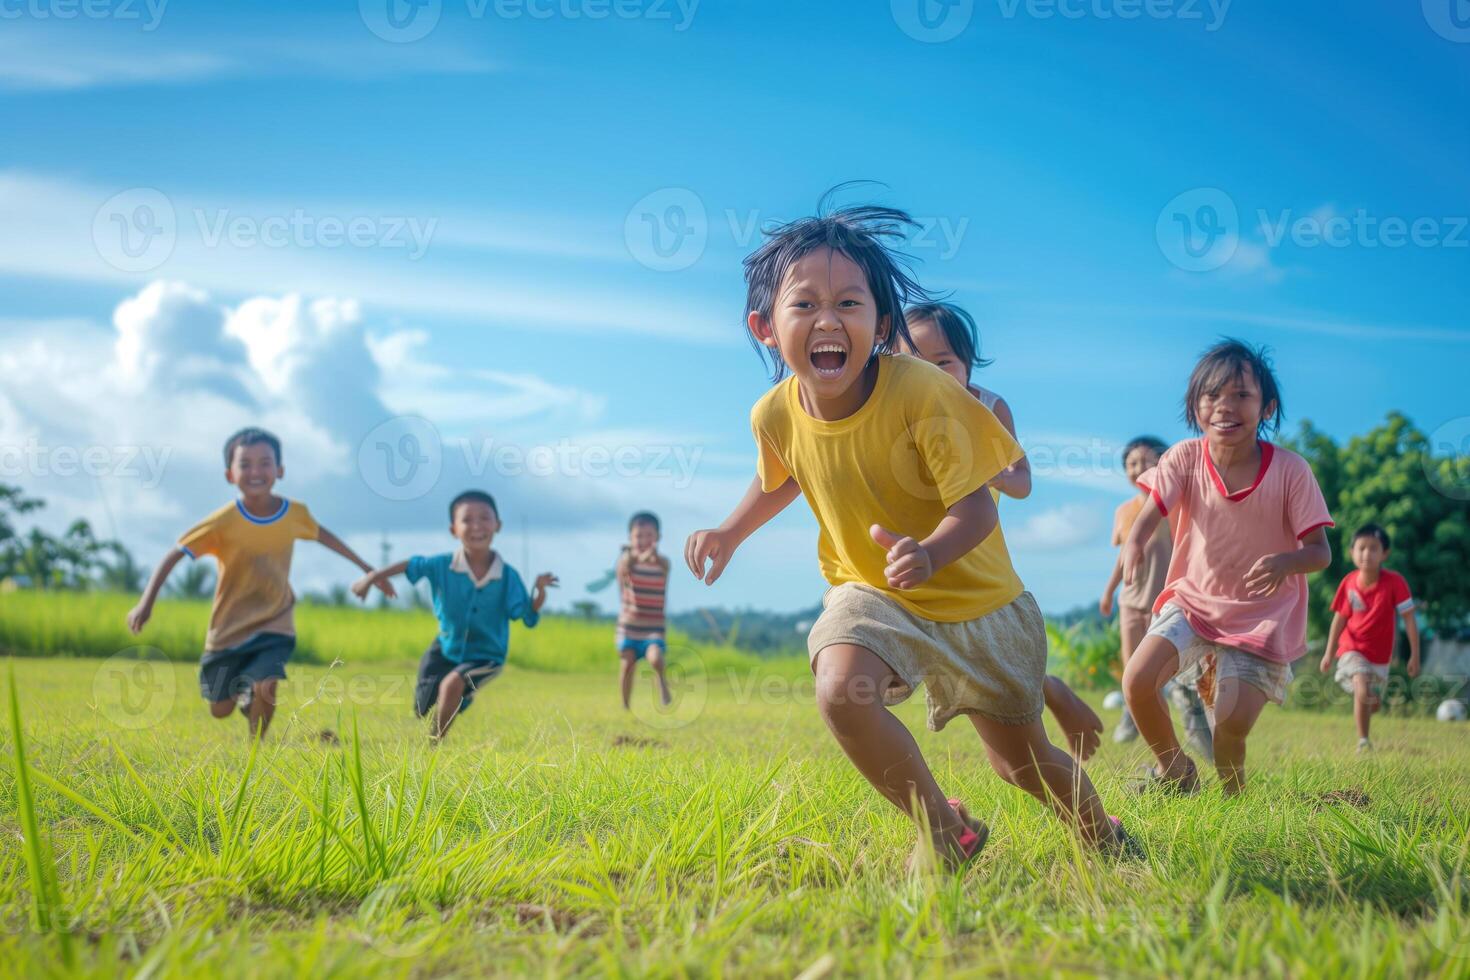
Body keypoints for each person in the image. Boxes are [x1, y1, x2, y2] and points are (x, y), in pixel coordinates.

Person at [686, 197, 1138, 870]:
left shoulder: (924, 394)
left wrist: (929, 553)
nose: (827, 319)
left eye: (849, 303)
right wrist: (728, 531)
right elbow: (783, 479)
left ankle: (1103, 834)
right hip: (873, 591)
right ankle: (943, 830)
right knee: (841, 690)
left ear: (882, 322)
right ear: (764, 327)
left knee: (1022, 766)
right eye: (804, 305)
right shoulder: (772, 414)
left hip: (979, 605)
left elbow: (979, 508)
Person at [1122, 340, 1333, 795]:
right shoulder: (1183, 457)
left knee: (1230, 725)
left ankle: (1234, 801)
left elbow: (1320, 552)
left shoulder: (1292, 471)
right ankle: (1176, 773)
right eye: (1212, 395)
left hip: (1261, 617)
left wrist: (1286, 561)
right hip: (1193, 603)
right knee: (1137, 682)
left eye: (1242, 395)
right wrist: (1134, 544)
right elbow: (1151, 511)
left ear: (1267, 407)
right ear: (1195, 404)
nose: (1225, 407)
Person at [897, 301, 1102, 761]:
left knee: (997, 661)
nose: (930, 373)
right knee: (940, 655)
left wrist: (990, 474)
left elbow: (1022, 481)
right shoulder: (896, 409)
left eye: (944, 362)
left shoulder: (988, 407)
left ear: (968, 364)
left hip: (973, 555)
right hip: (912, 555)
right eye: (912, 362)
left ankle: (1052, 692)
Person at [127, 428, 393, 739]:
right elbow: (174, 555)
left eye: (265, 463)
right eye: (245, 464)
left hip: (275, 621)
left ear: (279, 470)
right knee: (219, 708)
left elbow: (326, 537)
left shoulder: (294, 513)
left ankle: (257, 750)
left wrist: (368, 570)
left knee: (267, 683)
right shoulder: (222, 521)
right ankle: (243, 697)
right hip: (228, 628)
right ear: (230, 474)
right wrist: (146, 602)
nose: (256, 471)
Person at [353, 490, 557, 742]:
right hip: (445, 648)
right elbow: (411, 564)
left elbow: (526, 613)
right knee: (422, 707)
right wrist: (372, 578)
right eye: (467, 519)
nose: (477, 526)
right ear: (453, 529)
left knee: (452, 684)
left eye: (484, 518)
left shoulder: (507, 576)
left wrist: (539, 592)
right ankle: (458, 698)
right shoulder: (441, 565)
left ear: (498, 525)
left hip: (487, 656)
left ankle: (433, 747)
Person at [1101, 436, 1213, 756]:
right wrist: (1110, 591)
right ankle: (1130, 715)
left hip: (1165, 601)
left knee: (1164, 672)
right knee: (1130, 666)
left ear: (1163, 465)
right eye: (1132, 463)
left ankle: (1194, 725)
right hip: (1130, 600)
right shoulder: (1123, 511)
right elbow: (1124, 555)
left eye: (1147, 461)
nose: (1138, 469)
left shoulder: (1174, 504)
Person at [1318, 523, 1421, 752]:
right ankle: (1363, 742)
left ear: (1385, 553)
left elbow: (1409, 619)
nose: (1367, 554)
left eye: (1374, 548)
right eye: (1361, 548)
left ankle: (1372, 703)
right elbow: (1339, 620)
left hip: (1379, 656)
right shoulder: (1348, 582)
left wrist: (1414, 655)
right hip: (1351, 648)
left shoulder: (1395, 583)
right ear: (1351, 552)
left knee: (1370, 702)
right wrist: (1328, 653)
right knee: (1362, 688)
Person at [615, 511, 673, 709]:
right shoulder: (625, 561)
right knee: (627, 664)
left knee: (655, 658)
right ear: (630, 538)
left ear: (658, 538)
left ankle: (663, 685)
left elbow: (653, 559)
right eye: (638, 536)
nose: (644, 540)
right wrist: (633, 553)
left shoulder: (663, 563)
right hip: (629, 625)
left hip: (653, 626)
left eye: (649, 536)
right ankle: (625, 706)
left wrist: (648, 554)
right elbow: (628, 564)